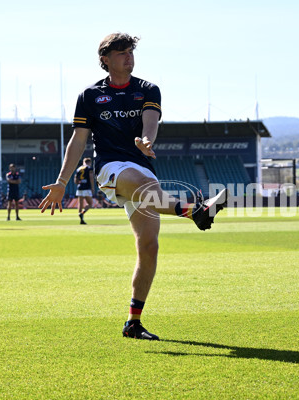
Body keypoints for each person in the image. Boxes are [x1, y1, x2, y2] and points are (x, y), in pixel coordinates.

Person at [39, 32, 228, 341]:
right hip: (111, 169)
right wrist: (61, 182)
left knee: (149, 247)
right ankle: (196, 210)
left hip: (142, 166)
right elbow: (79, 140)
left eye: (131, 51)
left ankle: (133, 323)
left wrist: (147, 139)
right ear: (105, 59)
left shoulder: (148, 89)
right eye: (121, 52)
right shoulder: (89, 95)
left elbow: (150, 120)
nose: (129, 56)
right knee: (142, 187)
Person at [74, 157, 95, 224]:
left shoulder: (78, 169)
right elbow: (91, 178)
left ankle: (81, 220)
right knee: (90, 204)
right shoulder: (89, 168)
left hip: (79, 187)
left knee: (80, 203)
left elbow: (75, 180)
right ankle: (82, 213)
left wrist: (79, 182)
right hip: (87, 187)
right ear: (89, 162)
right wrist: (92, 187)